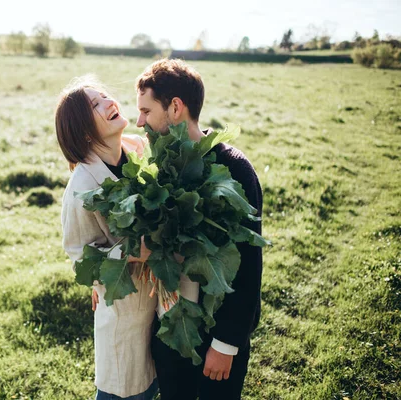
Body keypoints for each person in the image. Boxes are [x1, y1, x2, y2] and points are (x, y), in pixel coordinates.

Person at [134, 58, 264, 400]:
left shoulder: (234, 169)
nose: (139, 122)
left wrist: (226, 343)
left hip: (216, 338)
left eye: (146, 112)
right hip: (169, 332)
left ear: (175, 108)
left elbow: (249, 264)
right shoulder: (155, 164)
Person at [56, 75, 159, 400]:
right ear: (84, 131)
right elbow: (81, 259)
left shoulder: (137, 148)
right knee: (125, 390)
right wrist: (132, 252)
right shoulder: (82, 189)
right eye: (95, 104)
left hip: (156, 306)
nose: (109, 102)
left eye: (104, 95)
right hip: (123, 315)